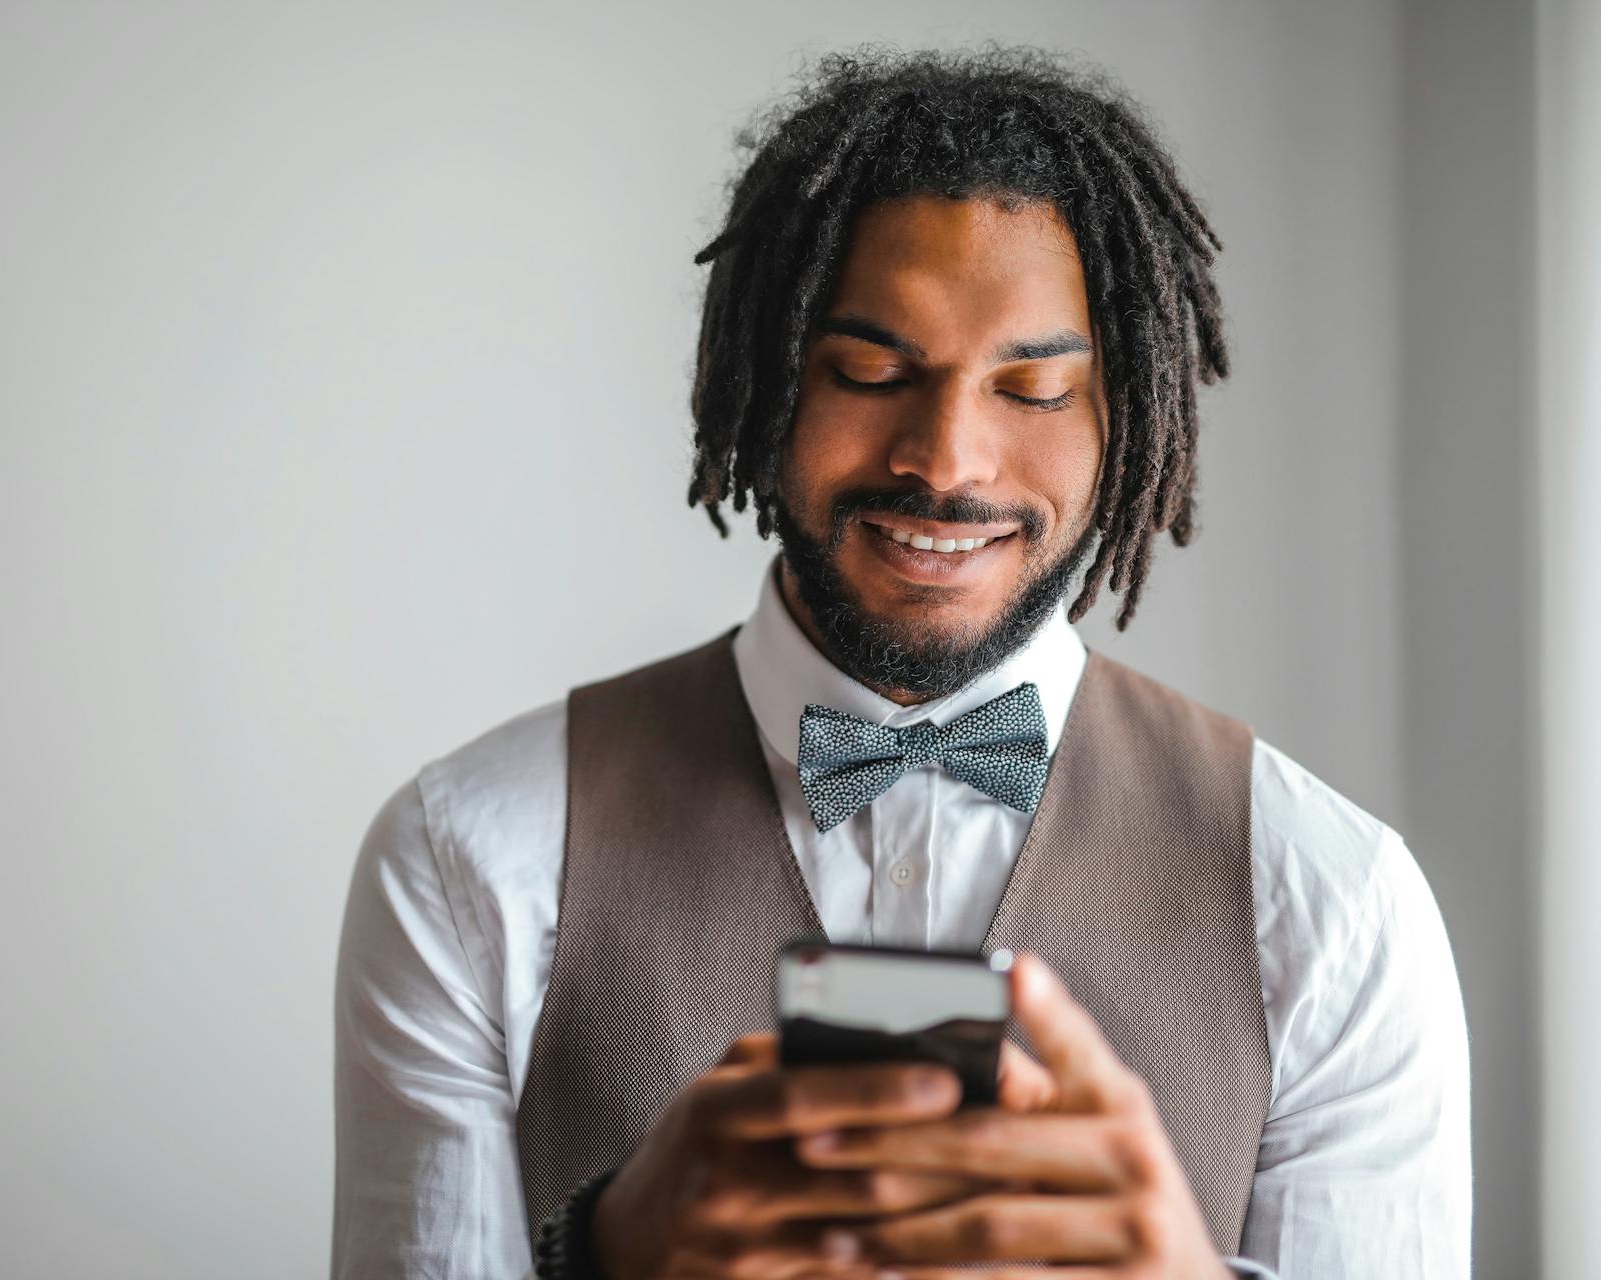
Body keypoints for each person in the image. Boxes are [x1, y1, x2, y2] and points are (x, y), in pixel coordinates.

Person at [331, 45, 1470, 1280]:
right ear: (756, 379)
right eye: (872, 372)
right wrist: (599, 1259)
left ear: (1127, 415)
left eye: (1034, 388)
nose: (949, 459)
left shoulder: (1336, 900)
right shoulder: (469, 856)